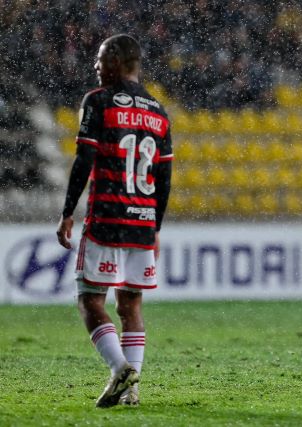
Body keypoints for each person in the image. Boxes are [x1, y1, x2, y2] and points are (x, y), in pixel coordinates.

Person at [56, 34, 173, 407]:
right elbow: (165, 179)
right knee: (131, 305)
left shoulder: (98, 101)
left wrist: (66, 212)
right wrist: (154, 228)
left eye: (101, 58)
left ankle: (120, 368)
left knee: (89, 301)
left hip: (107, 215)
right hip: (141, 221)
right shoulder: (159, 111)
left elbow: (84, 160)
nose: (95, 66)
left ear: (120, 62)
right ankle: (132, 390)